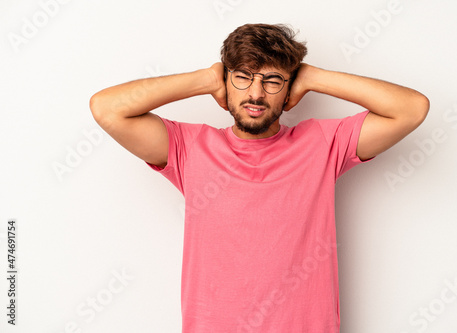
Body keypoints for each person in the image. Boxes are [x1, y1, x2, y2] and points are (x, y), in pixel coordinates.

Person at [89, 23, 429, 333]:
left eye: (272, 80)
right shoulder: (189, 147)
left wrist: (314, 77)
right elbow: (107, 108)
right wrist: (205, 79)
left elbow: (411, 108)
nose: (256, 93)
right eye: (243, 77)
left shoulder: (323, 144)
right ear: (227, 81)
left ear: (288, 89)